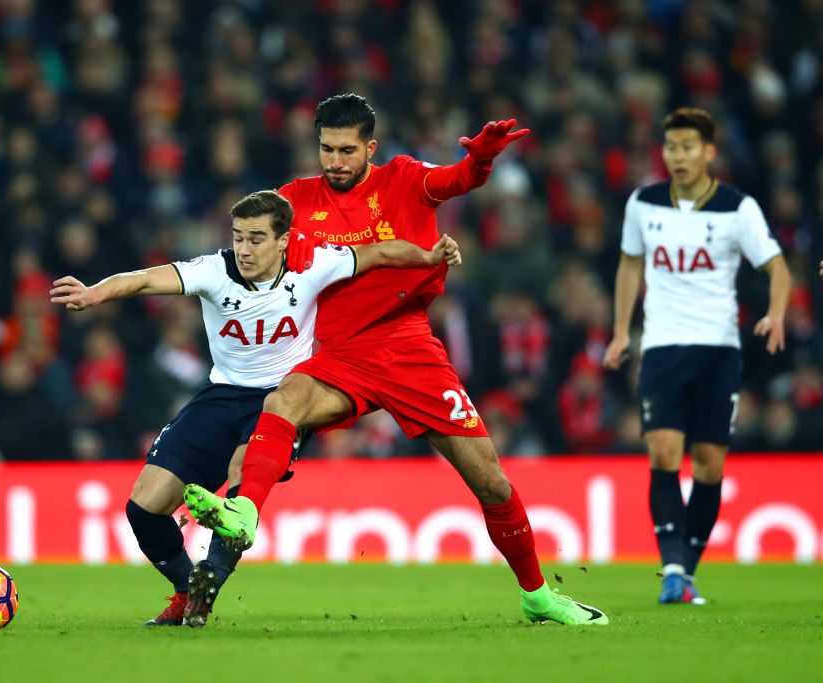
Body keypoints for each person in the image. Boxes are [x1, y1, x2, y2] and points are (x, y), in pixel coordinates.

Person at [184, 94, 608, 626]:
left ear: (370, 148)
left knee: (491, 481)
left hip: (409, 347)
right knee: (283, 400)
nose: (334, 162)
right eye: (325, 150)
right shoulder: (295, 201)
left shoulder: (404, 178)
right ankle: (240, 520)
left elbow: (456, 181)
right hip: (339, 352)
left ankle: (538, 595)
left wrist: (481, 160)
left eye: (345, 150)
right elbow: (251, 241)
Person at [49, 189, 463, 627]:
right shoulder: (214, 270)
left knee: (241, 481)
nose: (244, 249)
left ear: (284, 240)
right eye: (239, 237)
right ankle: (188, 590)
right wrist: (96, 293)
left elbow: (378, 252)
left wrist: (428, 254)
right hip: (220, 395)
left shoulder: (314, 264)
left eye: (257, 239)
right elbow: (146, 278)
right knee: (143, 509)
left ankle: (211, 578)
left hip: (282, 400)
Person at [602, 107, 790, 604]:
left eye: (687, 147)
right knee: (663, 453)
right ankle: (672, 568)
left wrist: (775, 313)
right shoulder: (643, 203)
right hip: (662, 346)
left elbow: (777, 267)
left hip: (718, 350)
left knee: (708, 465)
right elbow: (628, 265)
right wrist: (621, 332)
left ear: (709, 151)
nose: (678, 156)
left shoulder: (737, 207)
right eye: (670, 147)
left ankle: (686, 569)